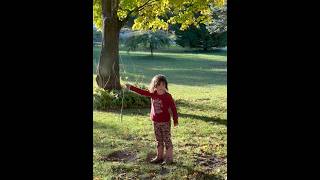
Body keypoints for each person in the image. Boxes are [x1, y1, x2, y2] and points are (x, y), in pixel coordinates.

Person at [125, 74, 178, 164]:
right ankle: (159, 156)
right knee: (159, 140)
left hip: (165, 122)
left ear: (166, 86)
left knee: (167, 139)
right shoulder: (152, 94)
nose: (161, 87)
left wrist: (175, 120)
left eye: (163, 85)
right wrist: (131, 87)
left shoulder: (168, 96)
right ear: (155, 86)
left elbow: (173, 108)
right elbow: (142, 92)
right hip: (156, 122)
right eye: (159, 85)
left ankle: (169, 158)